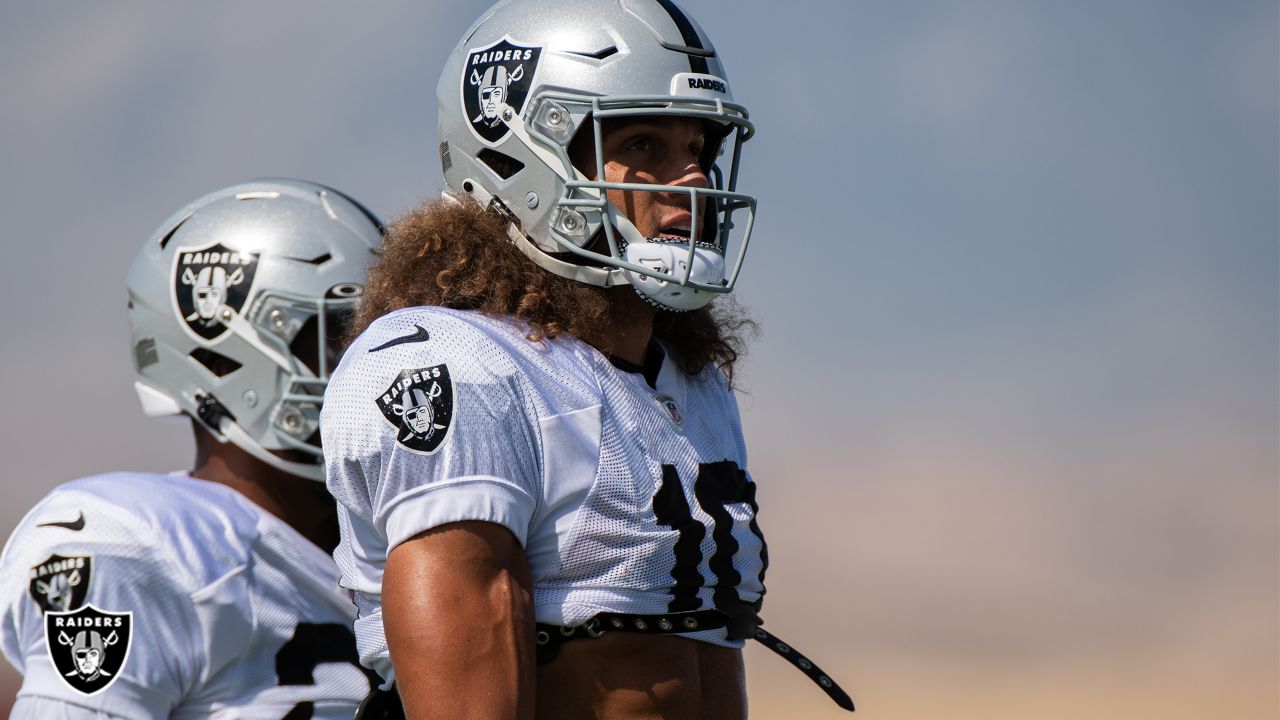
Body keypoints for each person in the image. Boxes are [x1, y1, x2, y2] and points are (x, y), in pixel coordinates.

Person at [324, 1, 853, 717]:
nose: (693, 179)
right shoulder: (457, 363)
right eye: (643, 144)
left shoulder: (686, 379)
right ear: (523, 154)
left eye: (698, 145)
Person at [0, 178, 384, 718]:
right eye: (343, 334)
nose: (380, 364)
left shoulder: (397, 551)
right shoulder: (140, 547)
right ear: (221, 360)